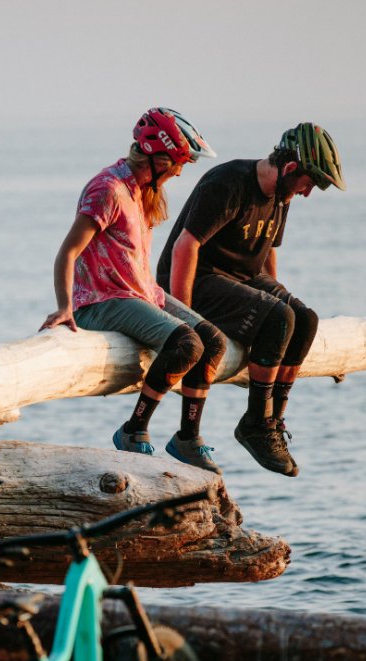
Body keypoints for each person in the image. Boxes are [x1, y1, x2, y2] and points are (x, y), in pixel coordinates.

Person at [39, 108, 228, 474]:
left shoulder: (142, 191)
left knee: (212, 341)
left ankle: (188, 438)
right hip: (103, 301)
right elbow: (68, 251)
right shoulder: (107, 190)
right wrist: (65, 307)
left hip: (140, 294)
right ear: (159, 158)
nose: (179, 171)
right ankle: (134, 429)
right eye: (179, 163)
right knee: (186, 344)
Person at [156, 122, 346, 477]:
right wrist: (183, 315)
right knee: (280, 318)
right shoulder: (228, 184)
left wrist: (279, 299)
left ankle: (272, 420)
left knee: (303, 319)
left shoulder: (283, 193)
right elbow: (186, 246)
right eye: (310, 183)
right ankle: (255, 423)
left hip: (241, 276)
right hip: (198, 277)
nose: (308, 193)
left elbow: (268, 251)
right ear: (291, 169)